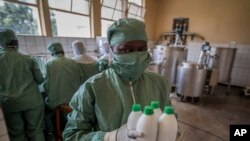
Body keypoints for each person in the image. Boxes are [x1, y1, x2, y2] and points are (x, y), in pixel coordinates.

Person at [63, 18, 171, 141]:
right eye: (126, 50)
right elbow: (72, 135)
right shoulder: (92, 88)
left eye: (142, 49)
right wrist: (110, 137)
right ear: (112, 50)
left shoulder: (160, 84)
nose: (136, 57)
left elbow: (169, 119)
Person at [0, 29, 45, 141]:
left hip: (10, 104)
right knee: (36, 131)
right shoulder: (28, 58)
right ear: (15, 42)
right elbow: (40, 80)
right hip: (32, 101)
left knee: (16, 134)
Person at [43, 42, 83, 140]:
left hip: (58, 102)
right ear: (63, 51)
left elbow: (46, 85)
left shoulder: (49, 63)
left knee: (46, 112)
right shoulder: (73, 62)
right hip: (74, 100)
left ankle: (52, 135)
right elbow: (81, 79)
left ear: (52, 54)